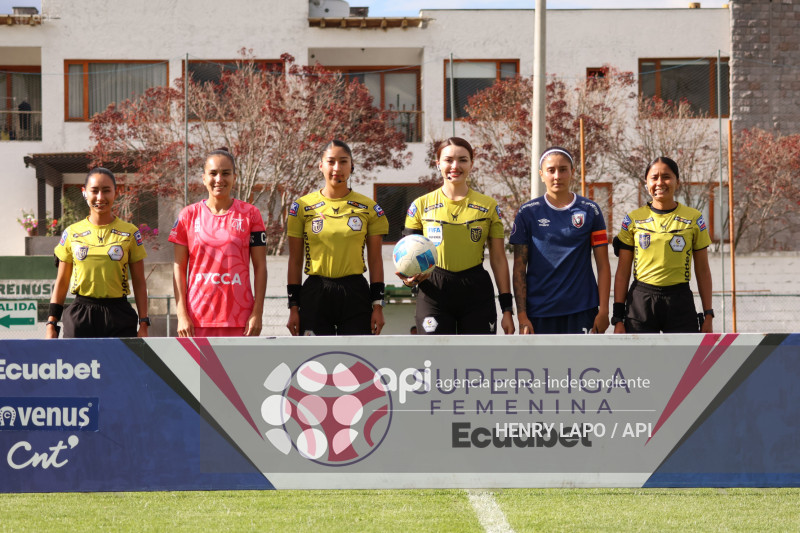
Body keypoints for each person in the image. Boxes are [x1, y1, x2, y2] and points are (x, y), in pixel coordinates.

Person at [399, 137, 514, 335]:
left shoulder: (488, 206)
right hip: (433, 289)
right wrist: (409, 278)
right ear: (438, 164)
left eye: (462, 160)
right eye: (448, 160)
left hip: (476, 290)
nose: (455, 166)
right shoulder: (420, 205)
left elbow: (498, 259)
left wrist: (507, 309)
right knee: (433, 361)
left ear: (471, 164)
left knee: (476, 363)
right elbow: (407, 253)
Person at [286, 140, 388, 336]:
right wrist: (293, 308)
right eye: (331, 161)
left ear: (352, 166)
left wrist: (378, 306)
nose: (337, 168)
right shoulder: (301, 207)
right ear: (320, 165)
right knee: (314, 363)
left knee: (355, 362)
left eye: (343, 162)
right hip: (315, 291)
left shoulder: (369, 208)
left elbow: (375, 260)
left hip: (355, 292)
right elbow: (295, 260)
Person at [510, 147, 611, 334]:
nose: (557, 176)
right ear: (541, 175)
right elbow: (519, 269)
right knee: (543, 364)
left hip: (582, 310)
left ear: (572, 172)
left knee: (583, 364)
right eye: (551, 170)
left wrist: (604, 310)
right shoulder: (528, 213)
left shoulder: (590, 210)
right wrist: (522, 317)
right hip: (539, 312)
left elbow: (603, 265)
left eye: (563, 169)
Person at [170, 148, 267, 337]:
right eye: (213, 173)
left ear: (235, 177)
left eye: (225, 173)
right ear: (204, 178)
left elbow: (261, 266)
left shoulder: (251, 214)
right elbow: (178, 268)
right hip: (196, 320)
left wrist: (257, 312)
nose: (219, 179)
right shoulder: (187, 216)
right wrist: (181, 314)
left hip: (240, 320)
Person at [612, 156, 714, 333]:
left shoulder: (694, 218)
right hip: (641, 301)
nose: (660, 182)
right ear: (646, 182)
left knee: (684, 361)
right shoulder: (633, 219)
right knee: (639, 361)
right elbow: (622, 272)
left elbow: (703, 270)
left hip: (679, 300)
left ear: (677, 182)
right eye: (654, 177)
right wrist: (617, 318)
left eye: (666, 176)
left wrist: (708, 314)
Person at [46, 167, 149, 338]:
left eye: (106, 191)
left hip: (119, 316)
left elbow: (139, 282)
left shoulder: (130, 232)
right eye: (94, 191)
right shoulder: (71, 233)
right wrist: (51, 323)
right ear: (84, 192)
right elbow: (62, 281)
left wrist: (144, 323)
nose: (100, 197)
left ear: (116, 193)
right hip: (81, 315)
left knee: (120, 365)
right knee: (79, 365)